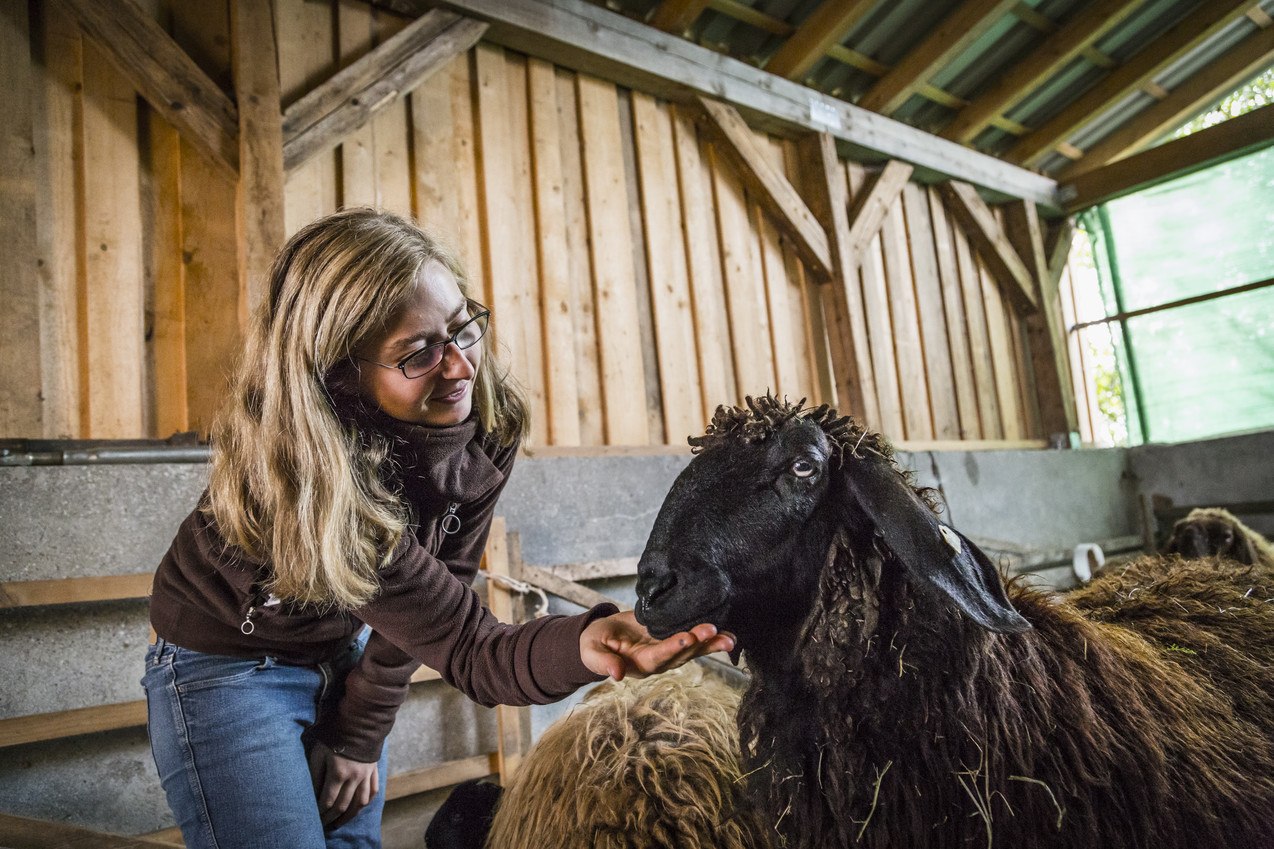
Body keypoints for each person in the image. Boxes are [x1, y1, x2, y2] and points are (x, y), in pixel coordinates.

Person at [142, 208, 733, 849]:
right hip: (228, 660)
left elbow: (441, 601)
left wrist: (359, 733)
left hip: (339, 644)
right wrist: (585, 647)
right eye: (418, 353)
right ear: (341, 376)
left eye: (461, 329)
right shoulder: (312, 478)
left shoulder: (484, 422)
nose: (459, 367)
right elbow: (471, 647)